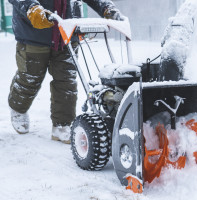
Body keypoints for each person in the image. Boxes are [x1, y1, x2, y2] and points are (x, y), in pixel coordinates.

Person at [8, 0, 124, 143]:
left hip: (68, 29)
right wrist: (31, 7)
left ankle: (62, 124)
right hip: (34, 31)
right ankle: (18, 108)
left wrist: (105, 7)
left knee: (66, 80)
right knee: (30, 77)